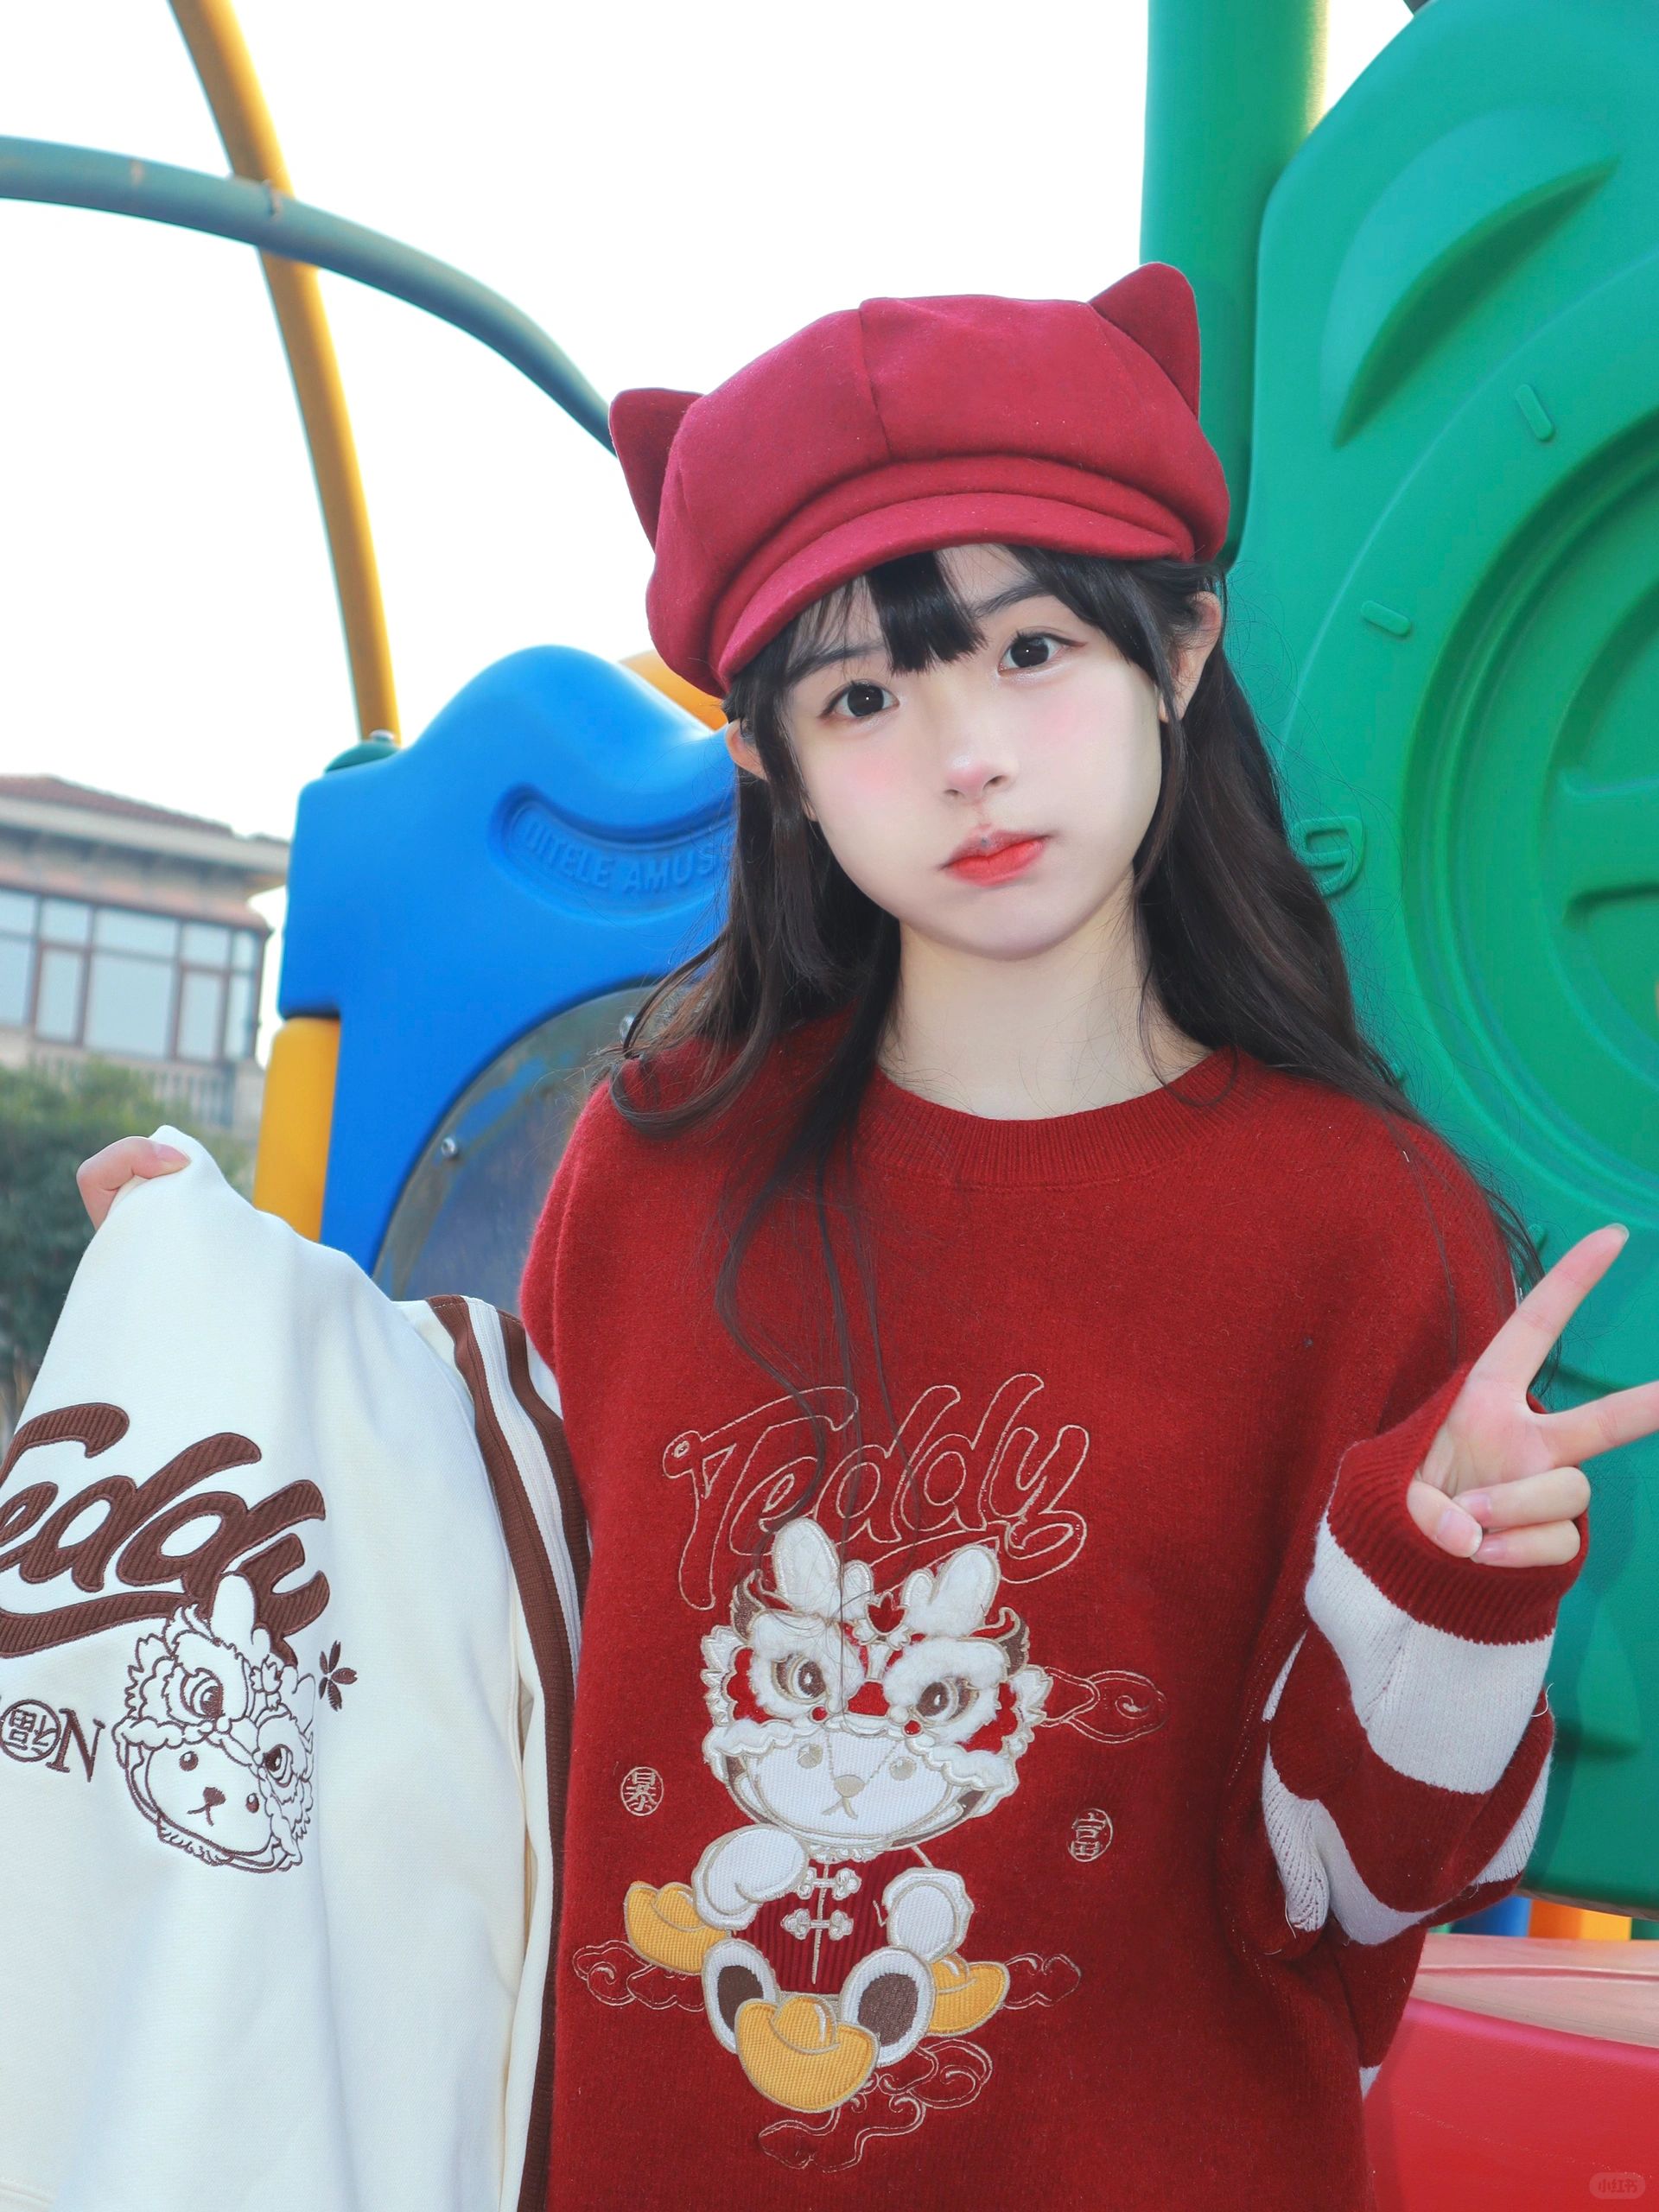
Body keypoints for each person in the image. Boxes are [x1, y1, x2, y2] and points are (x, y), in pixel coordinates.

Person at [78, 266, 1652, 2210]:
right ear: (774, 764)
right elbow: (486, 1656)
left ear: (1180, 650)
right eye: (863, 696)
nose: (966, 752)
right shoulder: (658, 1162)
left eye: (1032, 648)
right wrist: (218, 1341)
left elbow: (1365, 1888)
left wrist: (1445, 1577)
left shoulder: (1363, 1222)